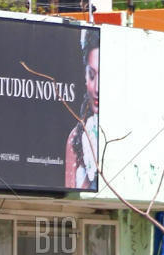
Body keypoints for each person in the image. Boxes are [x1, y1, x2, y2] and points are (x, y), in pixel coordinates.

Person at [65, 36, 99, 190]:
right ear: (85, 77)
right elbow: (70, 194)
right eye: (92, 76)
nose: (97, 89)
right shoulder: (76, 137)